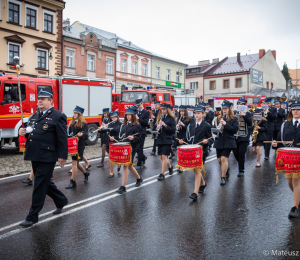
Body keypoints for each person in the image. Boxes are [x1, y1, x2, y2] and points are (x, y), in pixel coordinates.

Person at [18, 90, 68, 227]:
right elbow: (32, 133)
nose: (40, 101)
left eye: (44, 99)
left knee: (39, 184)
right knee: (45, 182)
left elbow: (62, 138)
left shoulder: (58, 116)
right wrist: (22, 132)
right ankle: (61, 200)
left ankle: (32, 216)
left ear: (51, 101)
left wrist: (63, 155)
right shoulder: (34, 116)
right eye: (39, 98)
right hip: (35, 154)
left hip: (48, 155)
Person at [272, 101, 300, 218]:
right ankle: (297, 198)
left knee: (295, 180)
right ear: (291, 111)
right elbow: (280, 140)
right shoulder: (285, 125)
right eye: (294, 110)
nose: (296, 112)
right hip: (289, 156)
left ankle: (294, 207)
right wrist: (275, 144)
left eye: (298, 110)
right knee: (289, 181)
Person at [179, 106, 214, 200]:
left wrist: (207, 141)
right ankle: (203, 183)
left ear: (203, 114)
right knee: (196, 170)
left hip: (201, 151)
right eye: (195, 113)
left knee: (197, 170)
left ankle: (195, 193)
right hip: (192, 151)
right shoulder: (191, 125)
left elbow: (211, 139)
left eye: (199, 113)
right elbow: (188, 139)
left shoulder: (206, 125)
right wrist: (182, 141)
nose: (196, 115)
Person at [114, 108, 143, 194]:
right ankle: (139, 178)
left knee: (125, 166)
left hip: (132, 148)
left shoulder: (137, 126)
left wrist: (134, 138)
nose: (128, 116)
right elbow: (121, 137)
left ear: (133, 116)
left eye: (130, 115)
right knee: (129, 166)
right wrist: (114, 139)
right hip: (124, 148)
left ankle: (123, 187)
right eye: (127, 115)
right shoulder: (124, 125)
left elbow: (140, 138)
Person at [213, 100, 239, 185]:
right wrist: (217, 128)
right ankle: (226, 170)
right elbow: (214, 131)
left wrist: (226, 124)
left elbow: (234, 130)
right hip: (219, 141)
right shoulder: (218, 118)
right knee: (219, 160)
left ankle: (223, 177)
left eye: (226, 109)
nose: (224, 110)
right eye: (223, 109)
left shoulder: (234, 118)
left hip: (228, 141)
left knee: (224, 159)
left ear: (229, 109)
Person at [66, 106, 89, 189]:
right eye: (74, 113)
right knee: (76, 163)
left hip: (79, 146)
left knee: (74, 163)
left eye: (76, 113)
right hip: (72, 146)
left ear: (80, 115)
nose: (74, 114)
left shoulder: (84, 124)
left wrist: (82, 134)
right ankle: (85, 173)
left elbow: (86, 135)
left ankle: (72, 181)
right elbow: (69, 134)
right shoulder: (71, 123)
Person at [155, 103, 176, 180]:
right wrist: (157, 127)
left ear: (167, 109)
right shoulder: (160, 117)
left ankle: (162, 174)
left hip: (167, 139)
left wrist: (165, 125)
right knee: (161, 157)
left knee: (164, 156)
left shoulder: (171, 118)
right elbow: (156, 127)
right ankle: (170, 166)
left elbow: (173, 130)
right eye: (162, 109)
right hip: (160, 139)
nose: (163, 111)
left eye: (164, 109)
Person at [233, 98, 252, 177]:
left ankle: (241, 170)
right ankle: (241, 163)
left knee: (241, 152)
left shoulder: (248, 113)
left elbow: (250, 123)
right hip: (235, 136)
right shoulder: (234, 113)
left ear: (245, 105)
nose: (240, 105)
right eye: (239, 103)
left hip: (244, 136)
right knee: (235, 153)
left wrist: (244, 116)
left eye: (242, 104)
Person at [107, 111, 122, 178]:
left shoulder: (119, 123)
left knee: (116, 156)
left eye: (115, 117)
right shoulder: (109, 124)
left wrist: (108, 128)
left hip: (117, 141)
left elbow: (116, 130)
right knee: (111, 157)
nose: (113, 118)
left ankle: (119, 165)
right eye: (112, 117)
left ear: (117, 117)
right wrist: (103, 128)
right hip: (110, 142)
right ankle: (111, 172)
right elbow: (107, 132)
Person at [135, 99, 149, 169]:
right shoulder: (136, 111)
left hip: (142, 132)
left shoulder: (146, 112)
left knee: (140, 148)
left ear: (142, 104)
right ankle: (143, 157)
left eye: (139, 105)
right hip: (136, 132)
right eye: (137, 105)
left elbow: (146, 123)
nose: (138, 106)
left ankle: (139, 163)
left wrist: (138, 119)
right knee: (136, 148)